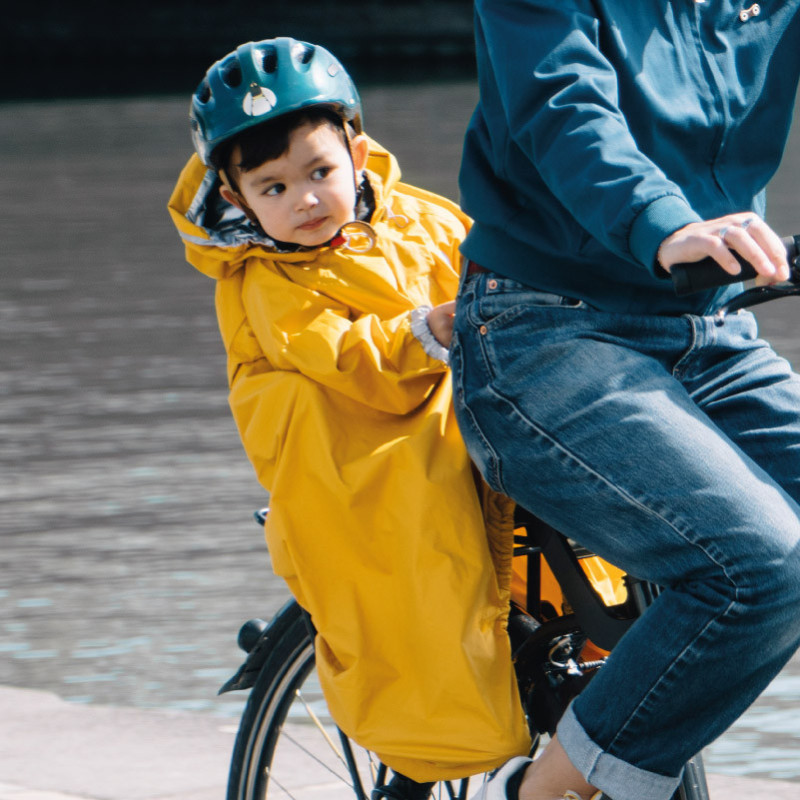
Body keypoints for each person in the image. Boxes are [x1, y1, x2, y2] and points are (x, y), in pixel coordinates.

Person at [450, 3, 800, 800]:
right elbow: (562, 104)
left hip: (709, 328)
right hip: (541, 328)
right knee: (763, 566)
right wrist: (663, 224)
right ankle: (542, 793)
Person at [167, 37, 531, 789]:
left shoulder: (423, 219)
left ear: (358, 154)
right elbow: (340, 356)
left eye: (320, 172)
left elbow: (497, 269)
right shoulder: (264, 281)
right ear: (235, 200)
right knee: (428, 600)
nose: (303, 200)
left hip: (473, 422)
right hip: (372, 459)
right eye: (272, 188)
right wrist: (426, 329)